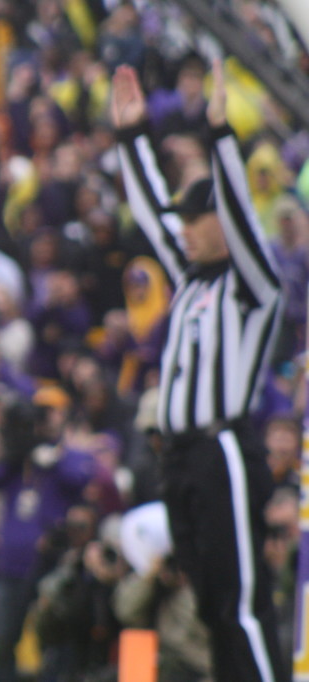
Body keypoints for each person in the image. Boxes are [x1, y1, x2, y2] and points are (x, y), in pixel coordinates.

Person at [112, 61, 284, 682]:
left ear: (221, 224)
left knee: (240, 603)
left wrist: (222, 139)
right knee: (211, 605)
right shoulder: (190, 280)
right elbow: (152, 215)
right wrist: (131, 136)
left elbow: (242, 219)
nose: (184, 230)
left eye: (196, 219)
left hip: (222, 449)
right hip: (180, 455)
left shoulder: (251, 287)